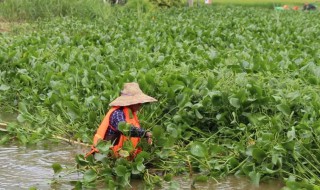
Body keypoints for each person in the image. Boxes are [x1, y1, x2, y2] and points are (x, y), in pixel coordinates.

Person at [85, 82, 157, 159]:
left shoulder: (130, 113)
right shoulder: (117, 113)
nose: (140, 105)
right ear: (131, 103)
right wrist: (145, 134)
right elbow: (127, 129)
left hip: (120, 155)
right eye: (138, 103)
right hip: (105, 155)